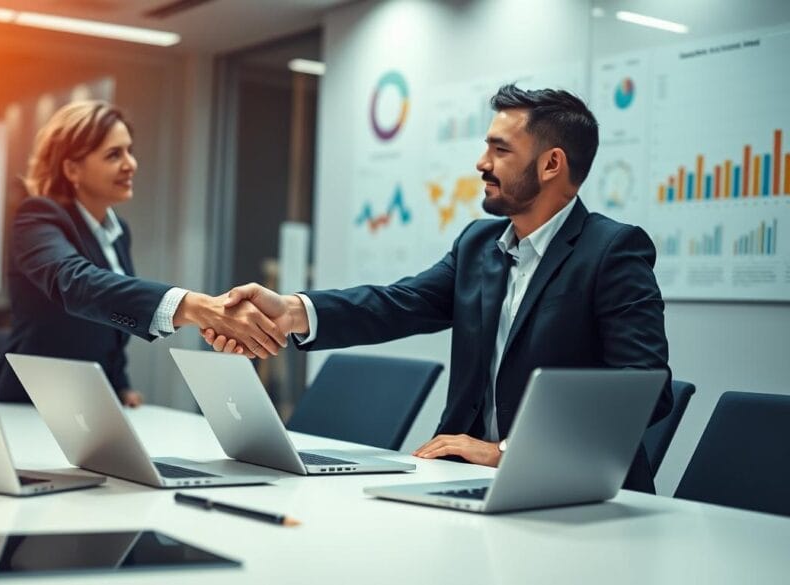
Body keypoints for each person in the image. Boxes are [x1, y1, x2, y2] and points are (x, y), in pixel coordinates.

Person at [203, 85, 673, 493]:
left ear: (552, 164)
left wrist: (505, 451)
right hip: (465, 480)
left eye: (500, 150)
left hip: (577, 493)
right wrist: (290, 311)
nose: (482, 163)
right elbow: (397, 304)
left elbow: (643, 389)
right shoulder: (479, 244)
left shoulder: (612, 250)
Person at [0, 100, 285, 406]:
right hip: (30, 403)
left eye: (129, 151)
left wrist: (120, 386)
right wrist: (195, 306)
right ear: (72, 168)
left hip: (91, 403)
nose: (130, 164)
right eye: (113, 154)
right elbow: (77, 284)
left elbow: (111, 321)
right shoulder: (38, 216)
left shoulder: (118, 231)